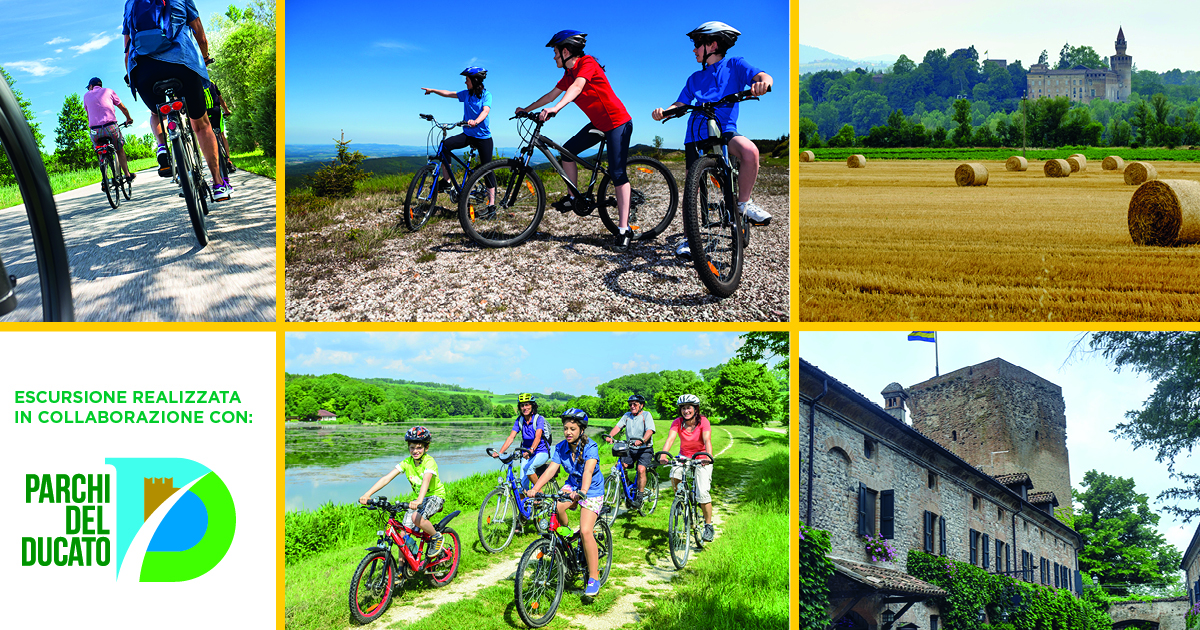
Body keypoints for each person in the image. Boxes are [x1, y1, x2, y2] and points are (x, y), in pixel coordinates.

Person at [651, 21, 773, 258]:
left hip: (725, 128)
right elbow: (681, 103)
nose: (694, 50)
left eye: (697, 44)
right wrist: (664, 111)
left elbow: (762, 75)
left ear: (712, 45)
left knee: (750, 152)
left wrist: (763, 83)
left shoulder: (735, 65)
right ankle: (688, 239)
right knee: (692, 186)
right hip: (696, 133)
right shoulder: (694, 78)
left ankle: (743, 205)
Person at [516, 30, 635, 252]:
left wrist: (556, 109)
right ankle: (573, 197)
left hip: (617, 122)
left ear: (566, 51)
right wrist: (526, 109)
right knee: (567, 151)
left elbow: (577, 88)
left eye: (555, 52)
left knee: (618, 174)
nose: (553, 57)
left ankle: (623, 229)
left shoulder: (587, 63)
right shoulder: (568, 74)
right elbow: (551, 95)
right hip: (599, 124)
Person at [122, 0, 230, 200]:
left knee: (157, 112)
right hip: (182, 63)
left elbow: (128, 48)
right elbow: (201, 36)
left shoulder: (131, 3)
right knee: (201, 124)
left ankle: (162, 146)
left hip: (143, 70)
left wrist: (131, 75)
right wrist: (204, 59)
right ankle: (218, 184)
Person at [527, 408, 604, 597]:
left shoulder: (590, 447)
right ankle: (567, 536)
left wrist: (582, 492)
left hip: (591, 489)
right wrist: (535, 489)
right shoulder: (561, 447)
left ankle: (593, 577)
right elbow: (551, 470)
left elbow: (587, 472)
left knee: (586, 530)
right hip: (572, 485)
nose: (568, 432)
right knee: (556, 506)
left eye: (572, 428)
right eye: (565, 428)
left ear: (581, 430)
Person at [359, 426, 448, 559]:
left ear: (426, 448)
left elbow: (426, 481)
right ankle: (401, 572)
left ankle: (436, 537)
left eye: (419, 447)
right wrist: (368, 494)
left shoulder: (429, 462)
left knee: (416, 519)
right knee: (402, 537)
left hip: (435, 496)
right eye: (412, 447)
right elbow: (386, 478)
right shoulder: (407, 463)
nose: (415, 451)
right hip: (418, 499)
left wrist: (419, 500)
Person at [421, 67, 496, 208]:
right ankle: (446, 181)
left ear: (475, 80)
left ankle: (491, 206)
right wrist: (433, 90)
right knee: (445, 146)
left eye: (467, 80)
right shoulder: (466, 94)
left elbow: (485, 111)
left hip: (483, 138)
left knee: (487, 169)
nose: (465, 83)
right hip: (468, 134)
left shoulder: (487, 95)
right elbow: (449, 93)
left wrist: (476, 121)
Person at [657, 394, 715, 542]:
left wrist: (708, 457)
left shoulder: (703, 421)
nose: (686, 411)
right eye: (683, 408)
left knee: (702, 493)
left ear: (695, 409)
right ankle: (681, 499)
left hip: (702, 457)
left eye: (689, 407)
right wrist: (663, 456)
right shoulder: (677, 422)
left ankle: (708, 526)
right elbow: (670, 439)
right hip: (684, 456)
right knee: (674, 473)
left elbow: (707, 440)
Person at [602, 394, 655, 508]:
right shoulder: (627, 416)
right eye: (630, 404)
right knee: (619, 467)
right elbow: (618, 427)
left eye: (635, 404)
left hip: (644, 449)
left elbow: (650, 430)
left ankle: (639, 498)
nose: (632, 406)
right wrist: (610, 436)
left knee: (641, 469)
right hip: (630, 448)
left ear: (641, 405)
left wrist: (642, 440)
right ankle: (628, 486)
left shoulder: (646, 415)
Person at [493, 393, 552, 490]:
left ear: (532, 405)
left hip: (541, 452)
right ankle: (523, 504)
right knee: (521, 484)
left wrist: (532, 450)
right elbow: (511, 437)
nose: (524, 407)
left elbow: (537, 437)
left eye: (527, 404)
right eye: (522, 405)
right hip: (526, 453)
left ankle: (538, 492)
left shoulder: (539, 419)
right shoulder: (520, 420)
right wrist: (500, 452)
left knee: (529, 468)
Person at [82, 77, 136, 183]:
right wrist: (128, 118)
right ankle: (127, 174)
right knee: (119, 149)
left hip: (95, 131)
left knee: (100, 150)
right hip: (110, 127)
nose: (89, 89)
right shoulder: (109, 91)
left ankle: (105, 179)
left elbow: (88, 115)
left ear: (91, 86)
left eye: (89, 87)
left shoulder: (86, 96)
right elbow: (123, 108)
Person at [203, 79, 235, 174]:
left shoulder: (195, 82)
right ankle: (228, 160)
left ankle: (214, 163)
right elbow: (220, 99)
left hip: (203, 113)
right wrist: (226, 110)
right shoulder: (211, 82)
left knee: (207, 137)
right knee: (221, 135)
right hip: (215, 110)